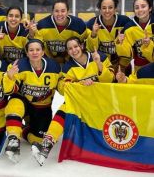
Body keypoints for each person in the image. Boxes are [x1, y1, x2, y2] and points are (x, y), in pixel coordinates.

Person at [32, 37, 115, 166]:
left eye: (75, 46)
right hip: (81, 101)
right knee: (64, 108)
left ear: (81, 46)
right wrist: (80, 84)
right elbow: (64, 89)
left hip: (102, 101)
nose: (73, 50)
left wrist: (99, 63)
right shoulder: (68, 67)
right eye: (70, 48)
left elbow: (109, 80)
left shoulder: (99, 56)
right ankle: (47, 143)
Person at [3, 39, 61, 163]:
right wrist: (9, 77)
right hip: (24, 103)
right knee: (14, 103)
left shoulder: (54, 66)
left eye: (37, 50)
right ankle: (13, 137)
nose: (34, 52)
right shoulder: (18, 65)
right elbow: (8, 91)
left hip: (42, 107)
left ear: (43, 52)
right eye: (31, 50)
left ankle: (24, 129)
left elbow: (61, 87)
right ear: (27, 52)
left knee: (40, 139)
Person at [86, 0, 131, 73]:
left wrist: (122, 65)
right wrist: (93, 35)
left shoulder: (125, 21)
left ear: (115, 9)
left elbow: (130, 48)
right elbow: (91, 50)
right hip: (101, 66)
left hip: (123, 66)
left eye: (110, 7)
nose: (107, 11)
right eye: (104, 8)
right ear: (99, 9)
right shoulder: (91, 23)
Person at [33, 0, 88, 64]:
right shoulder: (42, 25)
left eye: (63, 11)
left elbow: (83, 46)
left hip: (72, 61)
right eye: (56, 11)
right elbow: (38, 46)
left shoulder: (78, 24)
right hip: (48, 62)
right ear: (52, 12)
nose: (59, 14)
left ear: (68, 12)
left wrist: (67, 59)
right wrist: (50, 60)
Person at [116, 0, 154, 72]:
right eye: (137, 8)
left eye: (143, 6)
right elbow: (126, 55)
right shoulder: (128, 27)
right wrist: (120, 43)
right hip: (139, 69)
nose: (140, 10)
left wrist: (149, 45)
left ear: (150, 8)